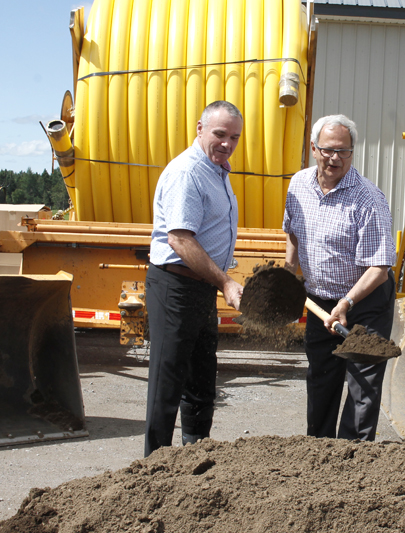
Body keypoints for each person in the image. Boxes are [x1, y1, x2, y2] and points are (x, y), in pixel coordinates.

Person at [283, 114, 396, 441]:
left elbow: (380, 268)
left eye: (344, 152)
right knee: (321, 377)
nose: (335, 158)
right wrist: (290, 275)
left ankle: (354, 460)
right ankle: (318, 452)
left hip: (365, 301)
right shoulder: (298, 184)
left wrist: (347, 302)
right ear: (314, 149)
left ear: (352, 153)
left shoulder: (367, 198)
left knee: (363, 384)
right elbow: (292, 231)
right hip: (320, 300)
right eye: (329, 150)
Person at [144, 100, 245, 457]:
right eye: (220, 134)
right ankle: (154, 468)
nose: (227, 143)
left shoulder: (218, 170)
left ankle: (195, 459)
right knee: (167, 381)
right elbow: (180, 239)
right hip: (175, 287)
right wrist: (226, 283)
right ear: (200, 129)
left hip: (200, 289)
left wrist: (218, 282)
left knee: (202, 379)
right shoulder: (188, 172)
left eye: (234, 137)